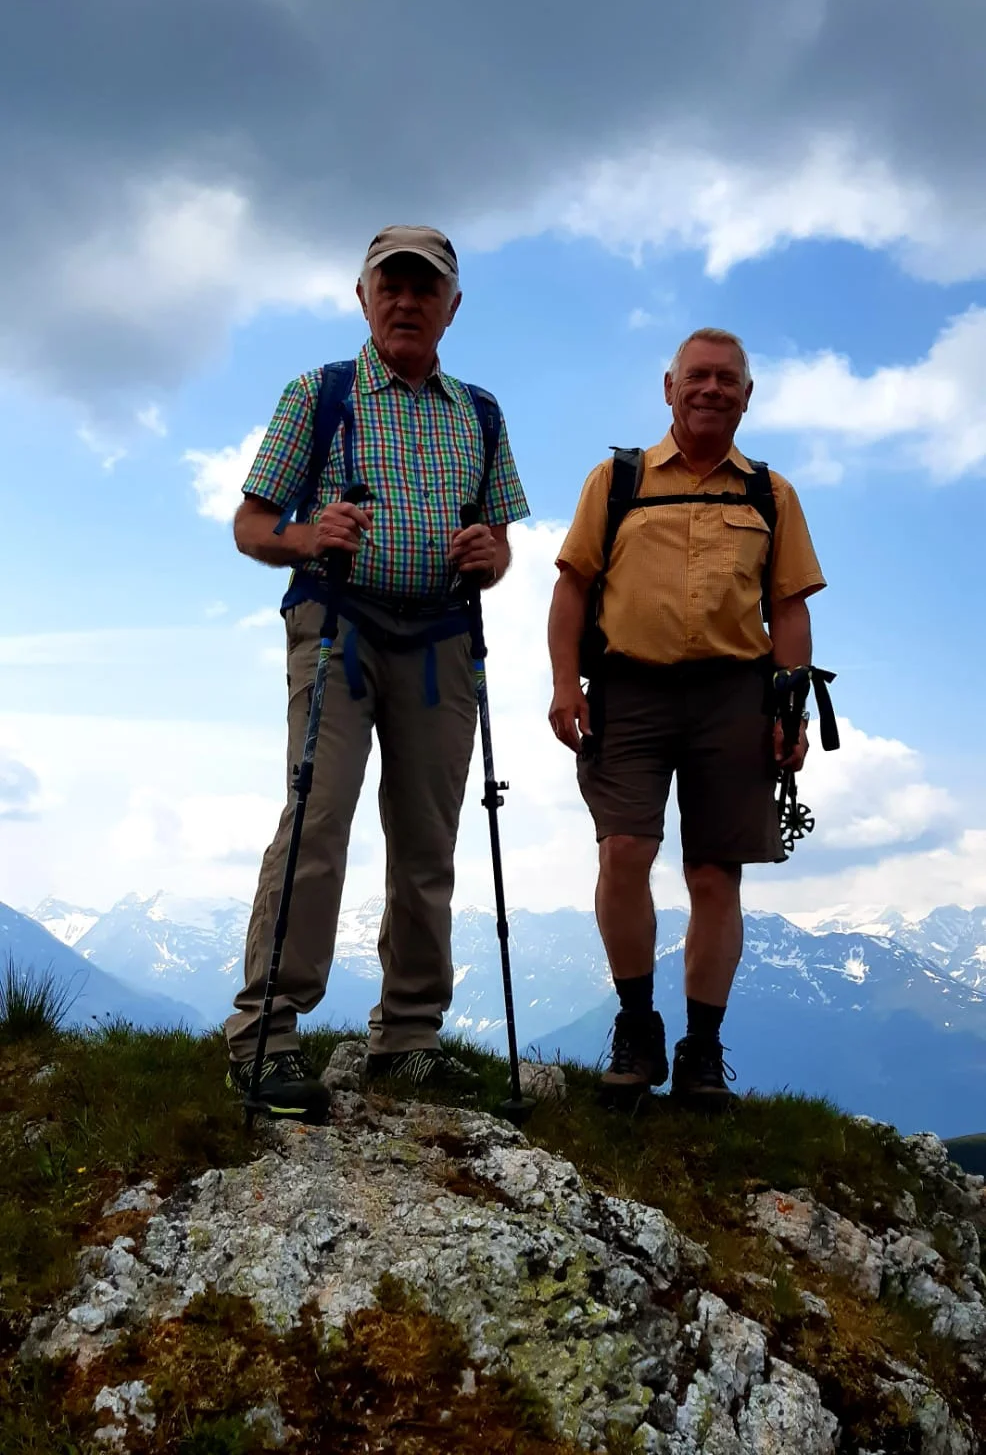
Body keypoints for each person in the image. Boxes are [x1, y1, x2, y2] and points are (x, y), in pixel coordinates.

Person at [224, 226, 529, 1120]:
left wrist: (489, 552)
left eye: (424, 289)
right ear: (363, 297)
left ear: (452, 308)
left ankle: (408, 1039)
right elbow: (251, 525)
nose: (406, 301)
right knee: (318, 819)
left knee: (429, 840)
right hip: (336, 628)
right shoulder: (319, 395)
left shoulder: (480, 412)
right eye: (389, 286)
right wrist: (306, 536)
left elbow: (503, 543)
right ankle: (266, 1034)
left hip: (440, 640)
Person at [547, 327, 825, 1108]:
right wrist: (566, 684)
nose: (710, 390)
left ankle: (702, 1051)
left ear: (746, 394)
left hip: (736, 695)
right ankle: (638, 1028)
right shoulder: (619, 480)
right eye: (696, 377)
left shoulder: (771, 494)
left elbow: (788, 610)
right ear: (669, 388)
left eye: (726, 379)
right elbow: (571, 589)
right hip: (630, 689)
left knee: (714, 874)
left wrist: (789, 707)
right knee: (625, 852)